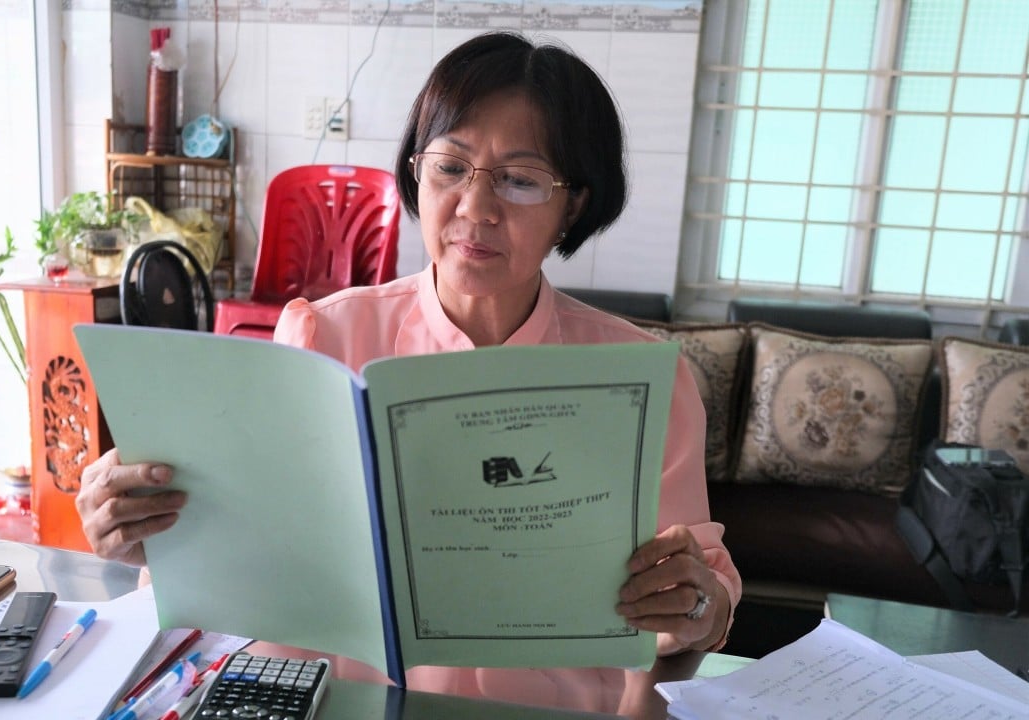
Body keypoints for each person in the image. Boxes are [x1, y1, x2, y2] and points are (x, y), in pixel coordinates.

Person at [77, 30, 740, 710]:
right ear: (417, 171)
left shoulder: (636, 379)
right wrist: (153, 540)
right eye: (450, 167)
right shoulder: (326, 337)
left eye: (520, 179)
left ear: (572, 203)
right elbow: (245, 558)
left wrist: (695, 607)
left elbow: (693, 610)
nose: (475, 210)